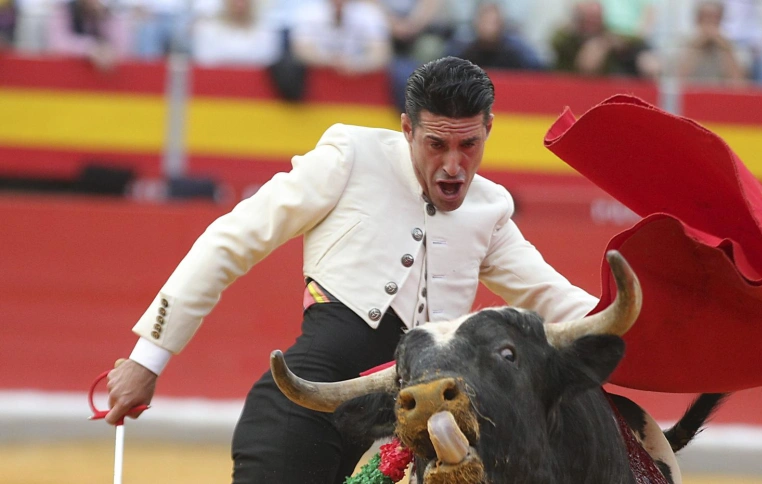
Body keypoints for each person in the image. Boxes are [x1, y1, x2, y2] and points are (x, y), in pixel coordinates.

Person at [105, 56, 599, 483]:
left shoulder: (490, 210)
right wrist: (147, 358)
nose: (453, 165)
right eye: (436, 145)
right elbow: (231, 240)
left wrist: (656, 322)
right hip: (303, 414)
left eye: (468, 145)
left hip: (412, 446)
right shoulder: (350, 156)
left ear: (488, 129)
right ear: (407, 129)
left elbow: (557, 300)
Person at [677, 0, 746, 85]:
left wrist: (725, 49)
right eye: (705, 17)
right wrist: (696, 47)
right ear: (697, 19)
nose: (710, 22)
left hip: (720, 95)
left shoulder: (730, 45)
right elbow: (678, 81)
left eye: (715, 18)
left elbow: (739, 84)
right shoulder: (682, 44)